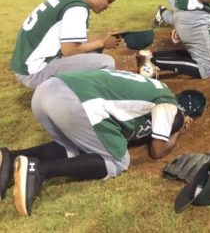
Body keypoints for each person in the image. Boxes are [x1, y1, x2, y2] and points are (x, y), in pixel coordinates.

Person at [0, 68, 189, 216]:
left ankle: (8, 159)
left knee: (73, 147)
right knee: (118, 161)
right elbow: (157, 150)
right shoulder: (168, 103)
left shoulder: (151, 86)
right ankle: (39, 170)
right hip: (73, 103)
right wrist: (178, 132)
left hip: (45, 91)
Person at [10, 0, 122, 89]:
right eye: (109, 1)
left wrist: (100, 41)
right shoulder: (77, 8)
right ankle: (78, 96)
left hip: (27, 63)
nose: (109, 6)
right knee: (105, 62)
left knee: (93, 53)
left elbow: (76, 41)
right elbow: (70, 50)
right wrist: (102, 43)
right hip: (34, 71)